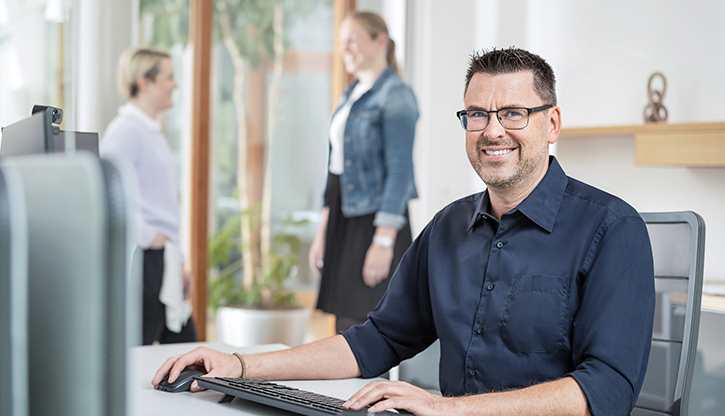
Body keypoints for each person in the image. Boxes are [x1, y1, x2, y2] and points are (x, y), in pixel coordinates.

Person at [152, 48, 655, 416]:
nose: (493, 130)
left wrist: (444, 410)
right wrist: (238, 365)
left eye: (513, 114)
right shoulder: (448, 229)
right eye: (477, 115)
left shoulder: (613, 229)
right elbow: (374, 342)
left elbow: (606, 391)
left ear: (552, 124)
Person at [309, 11, 418, 333]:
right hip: (344, 218)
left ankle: (373, 388)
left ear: (379, 41)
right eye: (341, 42)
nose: (345, 49)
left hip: (375, 222)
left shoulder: (396, 95)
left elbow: (400, 173)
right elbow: (336, 171)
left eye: (352, 40)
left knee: (366, 328)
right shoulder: (351, 94)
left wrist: (383, 242)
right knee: (343, 325)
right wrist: (322, 231)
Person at [101, 47, 197, 345]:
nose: (176, 84)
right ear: (145, 82)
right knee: (142, 351)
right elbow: (106, 191)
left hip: (163, 258)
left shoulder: (152, 131)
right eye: (169, 77)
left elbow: (163, 202)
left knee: (186, 350)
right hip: (145, 261)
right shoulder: (125, 131)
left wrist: (178, 260)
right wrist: (147, 236)